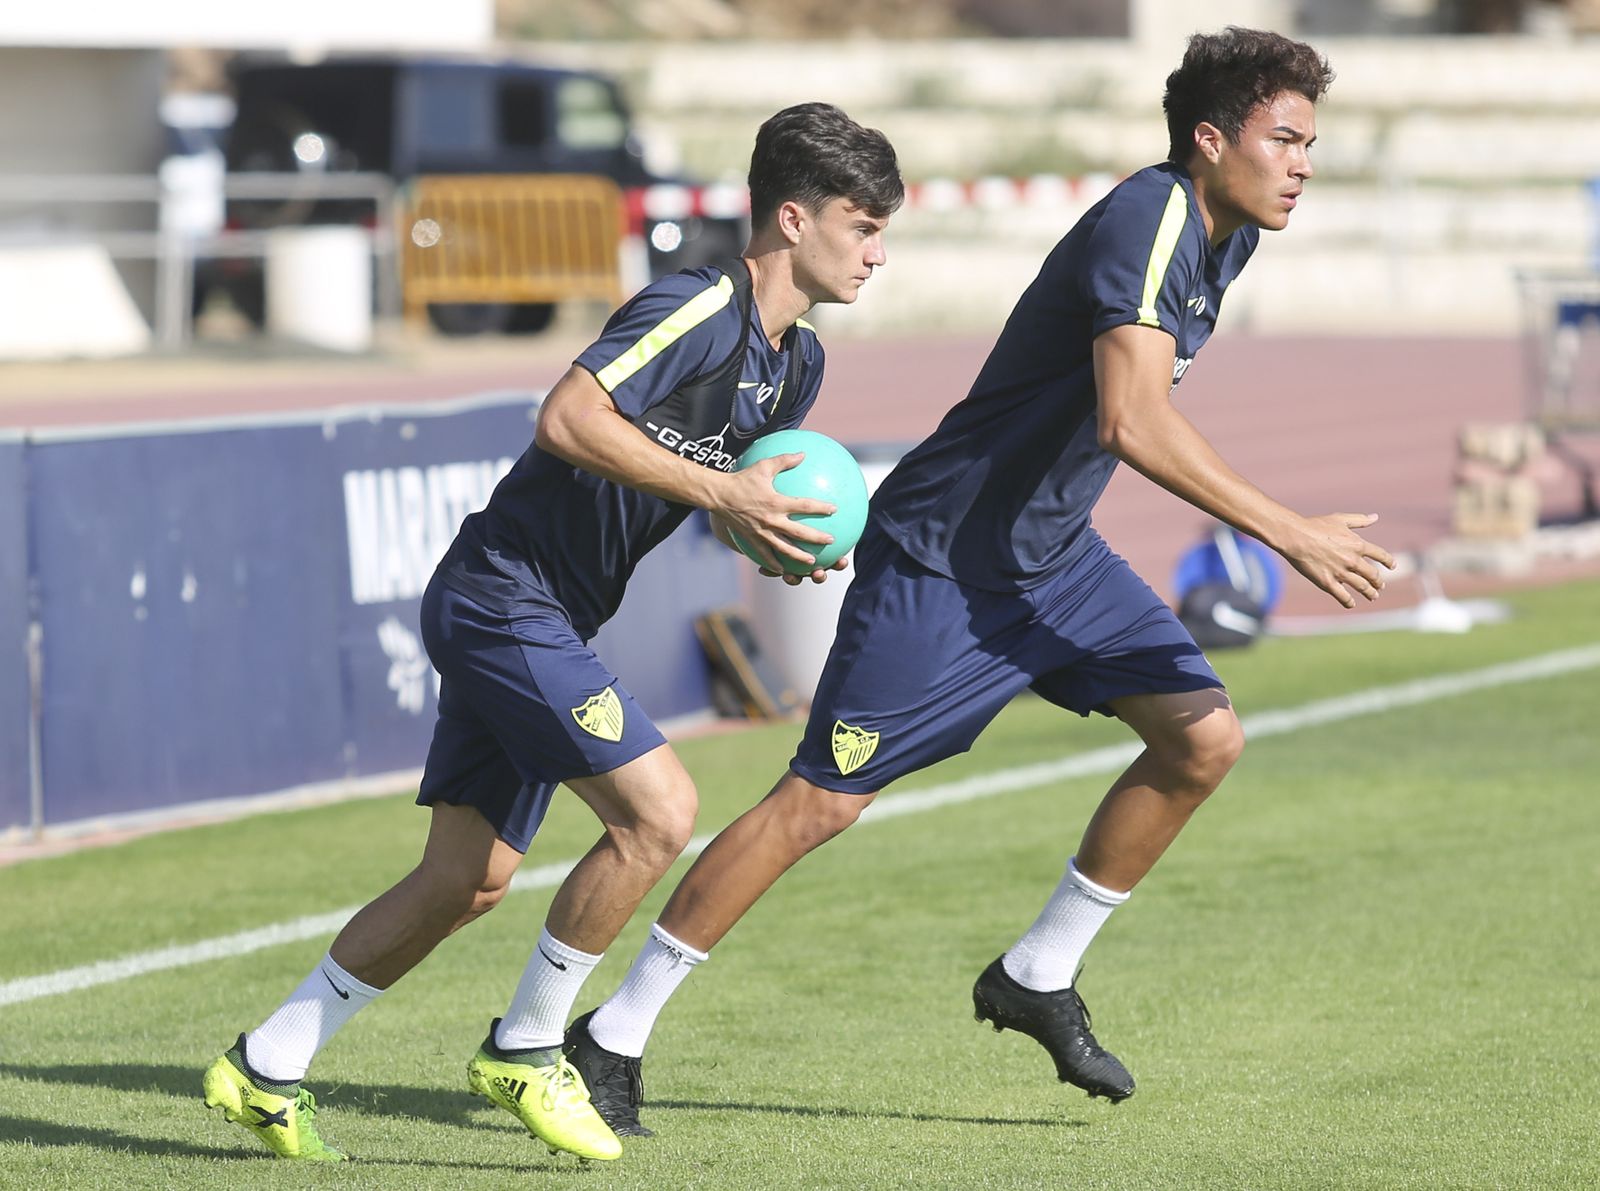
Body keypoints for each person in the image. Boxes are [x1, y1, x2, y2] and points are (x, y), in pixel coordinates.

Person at [567, 27, 1394, 1136]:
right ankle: (610, 1035)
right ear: (1209, 140)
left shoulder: (1227, 236)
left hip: (1051, 559)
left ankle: (1037, 975)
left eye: (1307, 142)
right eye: (1282, 139)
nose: (1301, 162)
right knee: (821, 804)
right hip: (947, 561)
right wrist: (1287, 530)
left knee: (1202, 738)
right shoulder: (1147, 219)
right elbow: (1130, 418)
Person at [200, 102, 903, 1163]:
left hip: (551, 616)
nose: (878, 253)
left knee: (466, 882)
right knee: (660, 812)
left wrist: (784, 541)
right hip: (499, 596)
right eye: (863, 226)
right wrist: (727, 489)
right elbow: (567, 418)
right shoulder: (694, 307)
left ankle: (264, 1067)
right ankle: (527, 1050)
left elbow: (725, 510)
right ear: (794, 220)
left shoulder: (794, 369)